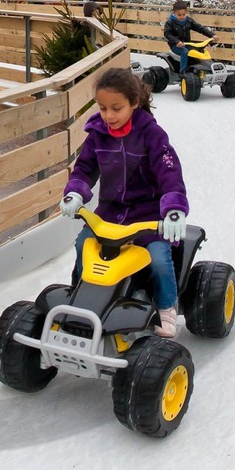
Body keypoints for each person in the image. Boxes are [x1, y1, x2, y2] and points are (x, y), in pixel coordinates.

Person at [58, 67, 190, 338]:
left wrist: (174, 208)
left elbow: (169, 172)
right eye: (103, 108)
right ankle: (80, 298)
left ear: (134, 103)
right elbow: (84, 168)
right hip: (110, 215)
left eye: (116, 108)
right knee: (84, 245)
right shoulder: (97, 135)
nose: (108, 116)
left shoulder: (152, 135)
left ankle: (166, 308)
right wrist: (75, 193)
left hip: (148, 216)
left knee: (159, 259)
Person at [163, 0, 215, 75]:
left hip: (187, 44)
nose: (182, 16)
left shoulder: (188, 21)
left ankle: (207, 69)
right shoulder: (170, 22)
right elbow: (167, 34)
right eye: (179, 15)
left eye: (184, 14)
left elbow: (199, 28)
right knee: (185, 52)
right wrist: (177, 41)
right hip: (176, 45)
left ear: (186, 13)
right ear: (174, 13)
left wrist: (212, 35)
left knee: (200, 50)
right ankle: (183, 72)